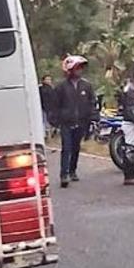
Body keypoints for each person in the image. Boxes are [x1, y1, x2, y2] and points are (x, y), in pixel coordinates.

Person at [50, 55, 97, 188]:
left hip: (81, 121)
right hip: (66, 122)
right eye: (77, 68)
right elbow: (54, 105)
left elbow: (91, 103)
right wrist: (56, 120)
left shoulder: (86, 85)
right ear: (69, 70)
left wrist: (93, 117)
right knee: (66, 148)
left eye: (81, 68)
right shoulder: (61, 87)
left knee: (76, 147)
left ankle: (72, 171)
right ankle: (64, 175)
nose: (80, 70)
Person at [38, 74, 55, 138]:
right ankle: (47, 134)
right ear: (43, 80)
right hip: (43, 108)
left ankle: (49, 133)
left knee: (49, 121)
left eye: (50, 79)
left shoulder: (52, 88)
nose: (49, 81)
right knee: (45, 121)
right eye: (47, 79)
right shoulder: (40, 88)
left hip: (50, 108)